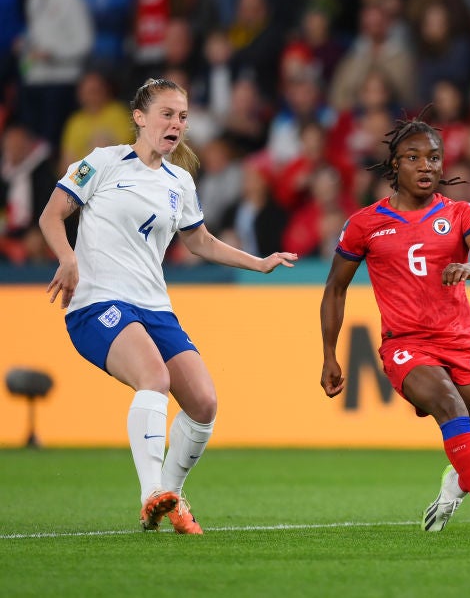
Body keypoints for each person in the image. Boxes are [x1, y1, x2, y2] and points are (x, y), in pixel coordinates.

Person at [37, 78, 298, 534]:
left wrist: (257, 263)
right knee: (154, 378)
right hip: (97, 303)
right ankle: (150, 493)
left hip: (155, 308)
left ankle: (170, 497)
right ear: (139, 117)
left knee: (203, 403)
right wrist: (67, 257)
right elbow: (51, 214)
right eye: (166, 114)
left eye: (182, 116)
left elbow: (200, 240)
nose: (176, 123)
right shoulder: (102, 163)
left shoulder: (180, 181)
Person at [319, 115, 470, 536]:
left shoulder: (461, 213)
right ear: (395, 165)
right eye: (413, 158)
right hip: (406, 346)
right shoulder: (365, 223)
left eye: (433, 157)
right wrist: (329, 356)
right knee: (449, 404)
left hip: (461, 343)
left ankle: (457, 480)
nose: (426, 166)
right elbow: (335, 289)